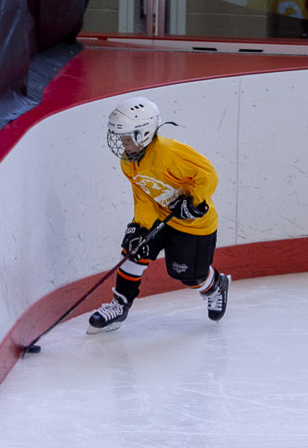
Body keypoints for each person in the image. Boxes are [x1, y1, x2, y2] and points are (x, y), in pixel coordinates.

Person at [88, 96, 230, 334]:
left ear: (143, 134)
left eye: (127, 138)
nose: (122, 143)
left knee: (189, 276)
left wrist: (193, 202)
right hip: (161, 217)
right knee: (134, 250)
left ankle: (216, 285)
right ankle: (119, 306)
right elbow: (144, 195)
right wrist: (140, 225)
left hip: (193, 225)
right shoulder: (129, 162)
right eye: (121, 138)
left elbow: (208, 175)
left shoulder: (169, 152)